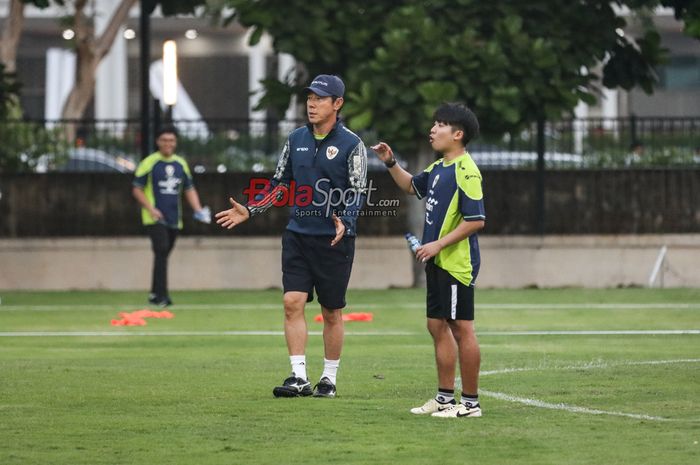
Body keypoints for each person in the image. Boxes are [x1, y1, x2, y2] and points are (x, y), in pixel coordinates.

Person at [215, 74, 368, 398]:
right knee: (291, 302)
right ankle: (298, 376)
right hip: (297, 235)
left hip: (334, 239)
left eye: (320, 98)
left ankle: (328, 379)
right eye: (309, 98)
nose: (312, 104)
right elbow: (280, 183)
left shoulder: (352, 144)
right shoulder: (296, 138)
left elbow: (357, 191)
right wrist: (251, 209)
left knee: (331, 311)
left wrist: (347, 222)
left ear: (337, 104)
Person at [372, 102, 485, 418]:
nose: (432, 130)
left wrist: (436, 245)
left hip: (456, 262)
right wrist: (391, 162)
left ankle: (471, 404)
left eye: (440, 125)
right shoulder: (439, 168)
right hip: (439, 261)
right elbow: (411, 186)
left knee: (462, 328)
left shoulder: (467, 171)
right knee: (437, 325)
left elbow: (476, 220)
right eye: (434, 124)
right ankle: (445, 398)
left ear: (458, 134)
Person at [132, 126, 210, 307]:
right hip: (155, 217)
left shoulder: (180, 164)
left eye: (171, 140)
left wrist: (198, 210)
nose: (168, 144)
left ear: (175, 143)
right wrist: (151, 209)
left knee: (163, 254)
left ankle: (154, 293)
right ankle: (162, 296)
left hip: (175, 217)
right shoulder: (149, 163)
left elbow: (189, 189)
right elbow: (137, 189)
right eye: (164, 140)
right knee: (161, 250)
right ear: (158, 142)